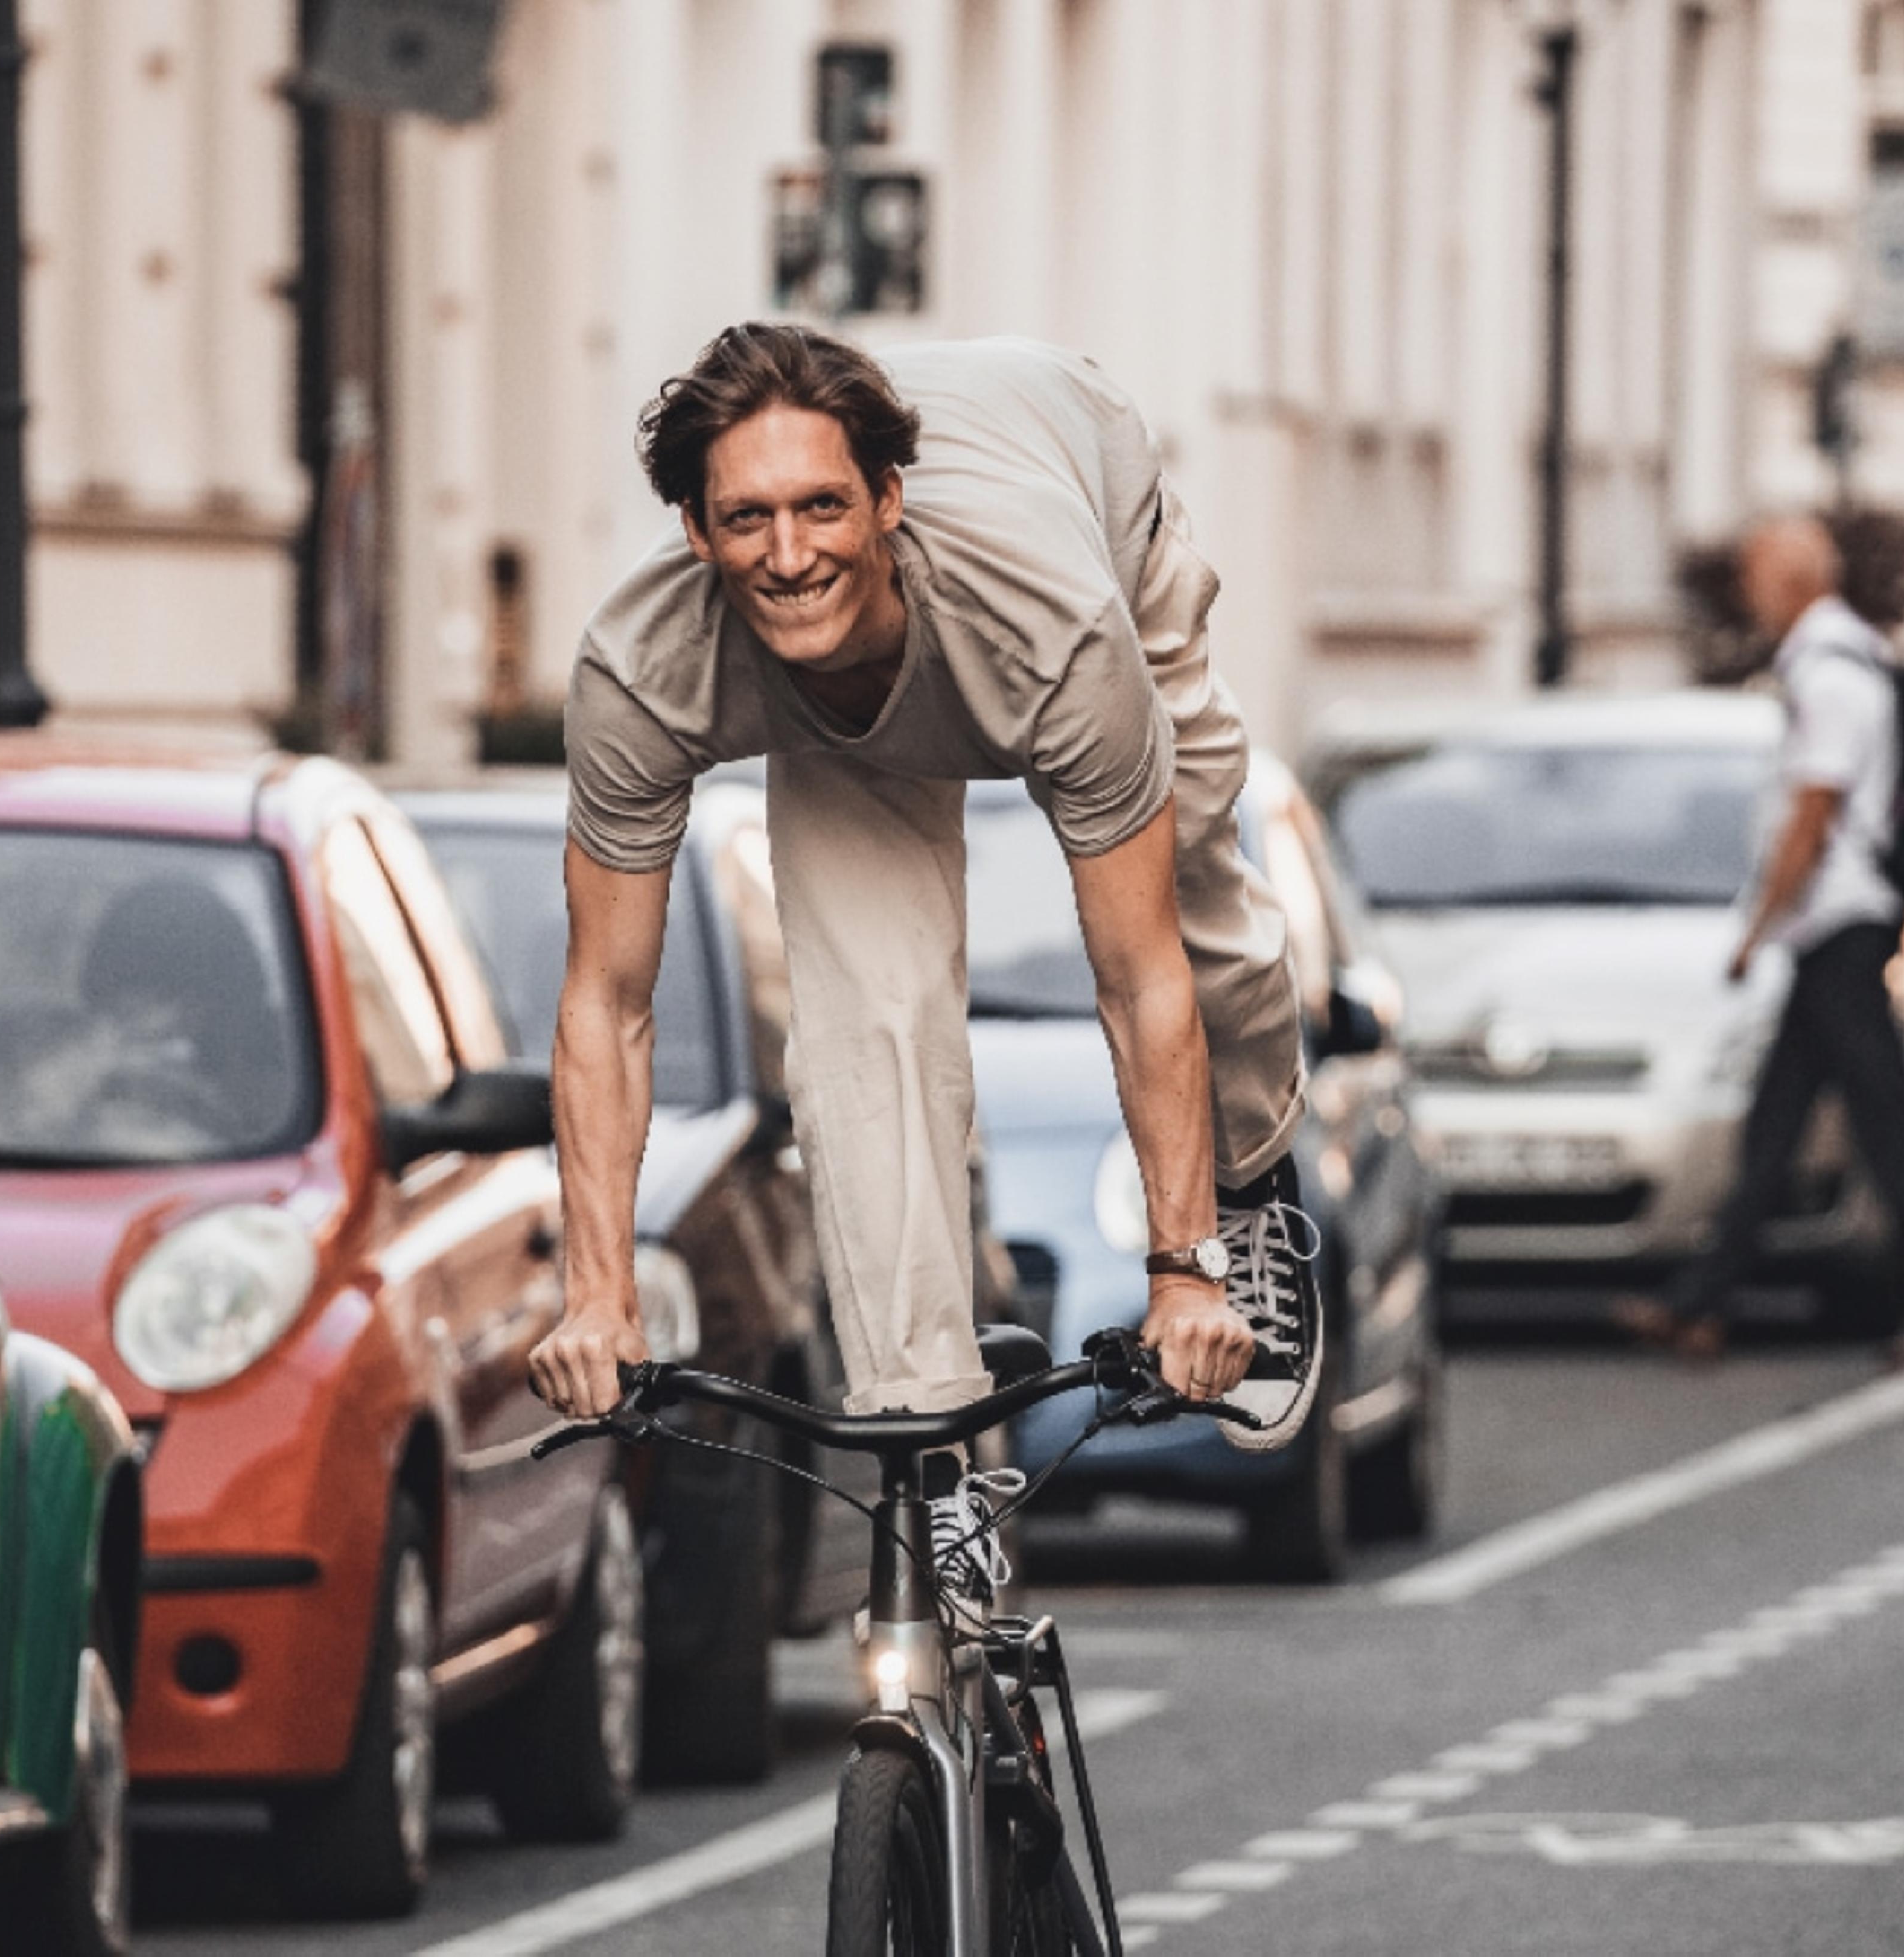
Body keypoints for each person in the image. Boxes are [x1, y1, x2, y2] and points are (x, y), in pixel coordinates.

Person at [527, 325, 1321, 1616]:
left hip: (1084, 499)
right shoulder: (644, 666)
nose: (790, 556)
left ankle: (1256, 1189)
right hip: (844, 725)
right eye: (748, 519)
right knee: (867, 1028)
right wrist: (599, 1293)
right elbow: (608, 1000)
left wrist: (1186, 1270)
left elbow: (1135, 976)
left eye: (824, 507)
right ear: (694, 531)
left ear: (887, 499)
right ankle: (937, 1457)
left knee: (1188, 884)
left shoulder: (1055, 632)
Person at [1627, 512, 1904, 1365]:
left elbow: (1814, 814)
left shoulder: (1831, 674)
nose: (1752, 596)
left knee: (1888, 1127)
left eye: (1758, 576)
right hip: (1834, 928)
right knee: (1777, 1122)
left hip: (1841, 925)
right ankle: (1703, 1301)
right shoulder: (1838, 661)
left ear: (1788, 581)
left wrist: (1758, 930)